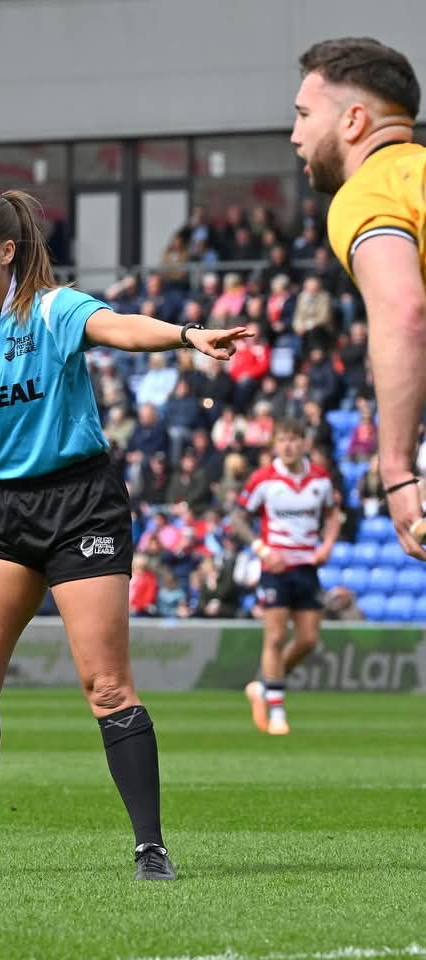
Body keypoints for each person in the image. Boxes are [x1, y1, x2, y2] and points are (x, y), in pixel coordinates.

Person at [0, 188, 250, 881]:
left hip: (80, 506)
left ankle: (151, 848)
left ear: (7, 252)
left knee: (106, 685)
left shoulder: (53, 309)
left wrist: (184, 336)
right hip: (1, 510)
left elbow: (120, 327)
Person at [291, 38, 426, 560]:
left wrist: (394, 469)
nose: (296, 135)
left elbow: (403, 310)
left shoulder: (370, 189)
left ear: (352, 122)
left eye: (304, 114)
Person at [230, 419, 341, 736]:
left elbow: (333, 514)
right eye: (283, 440)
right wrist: (261, 549)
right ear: (275, 445)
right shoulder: (263, 479)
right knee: (275, 638)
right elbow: (238, 517)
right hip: (275, 569)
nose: (289, 445)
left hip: (307, 567)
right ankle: (277, 711)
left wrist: (328, 545)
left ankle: (263, 686)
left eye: (294, 439)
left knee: (308, 640)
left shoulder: (320, 479)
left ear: (304, 443)